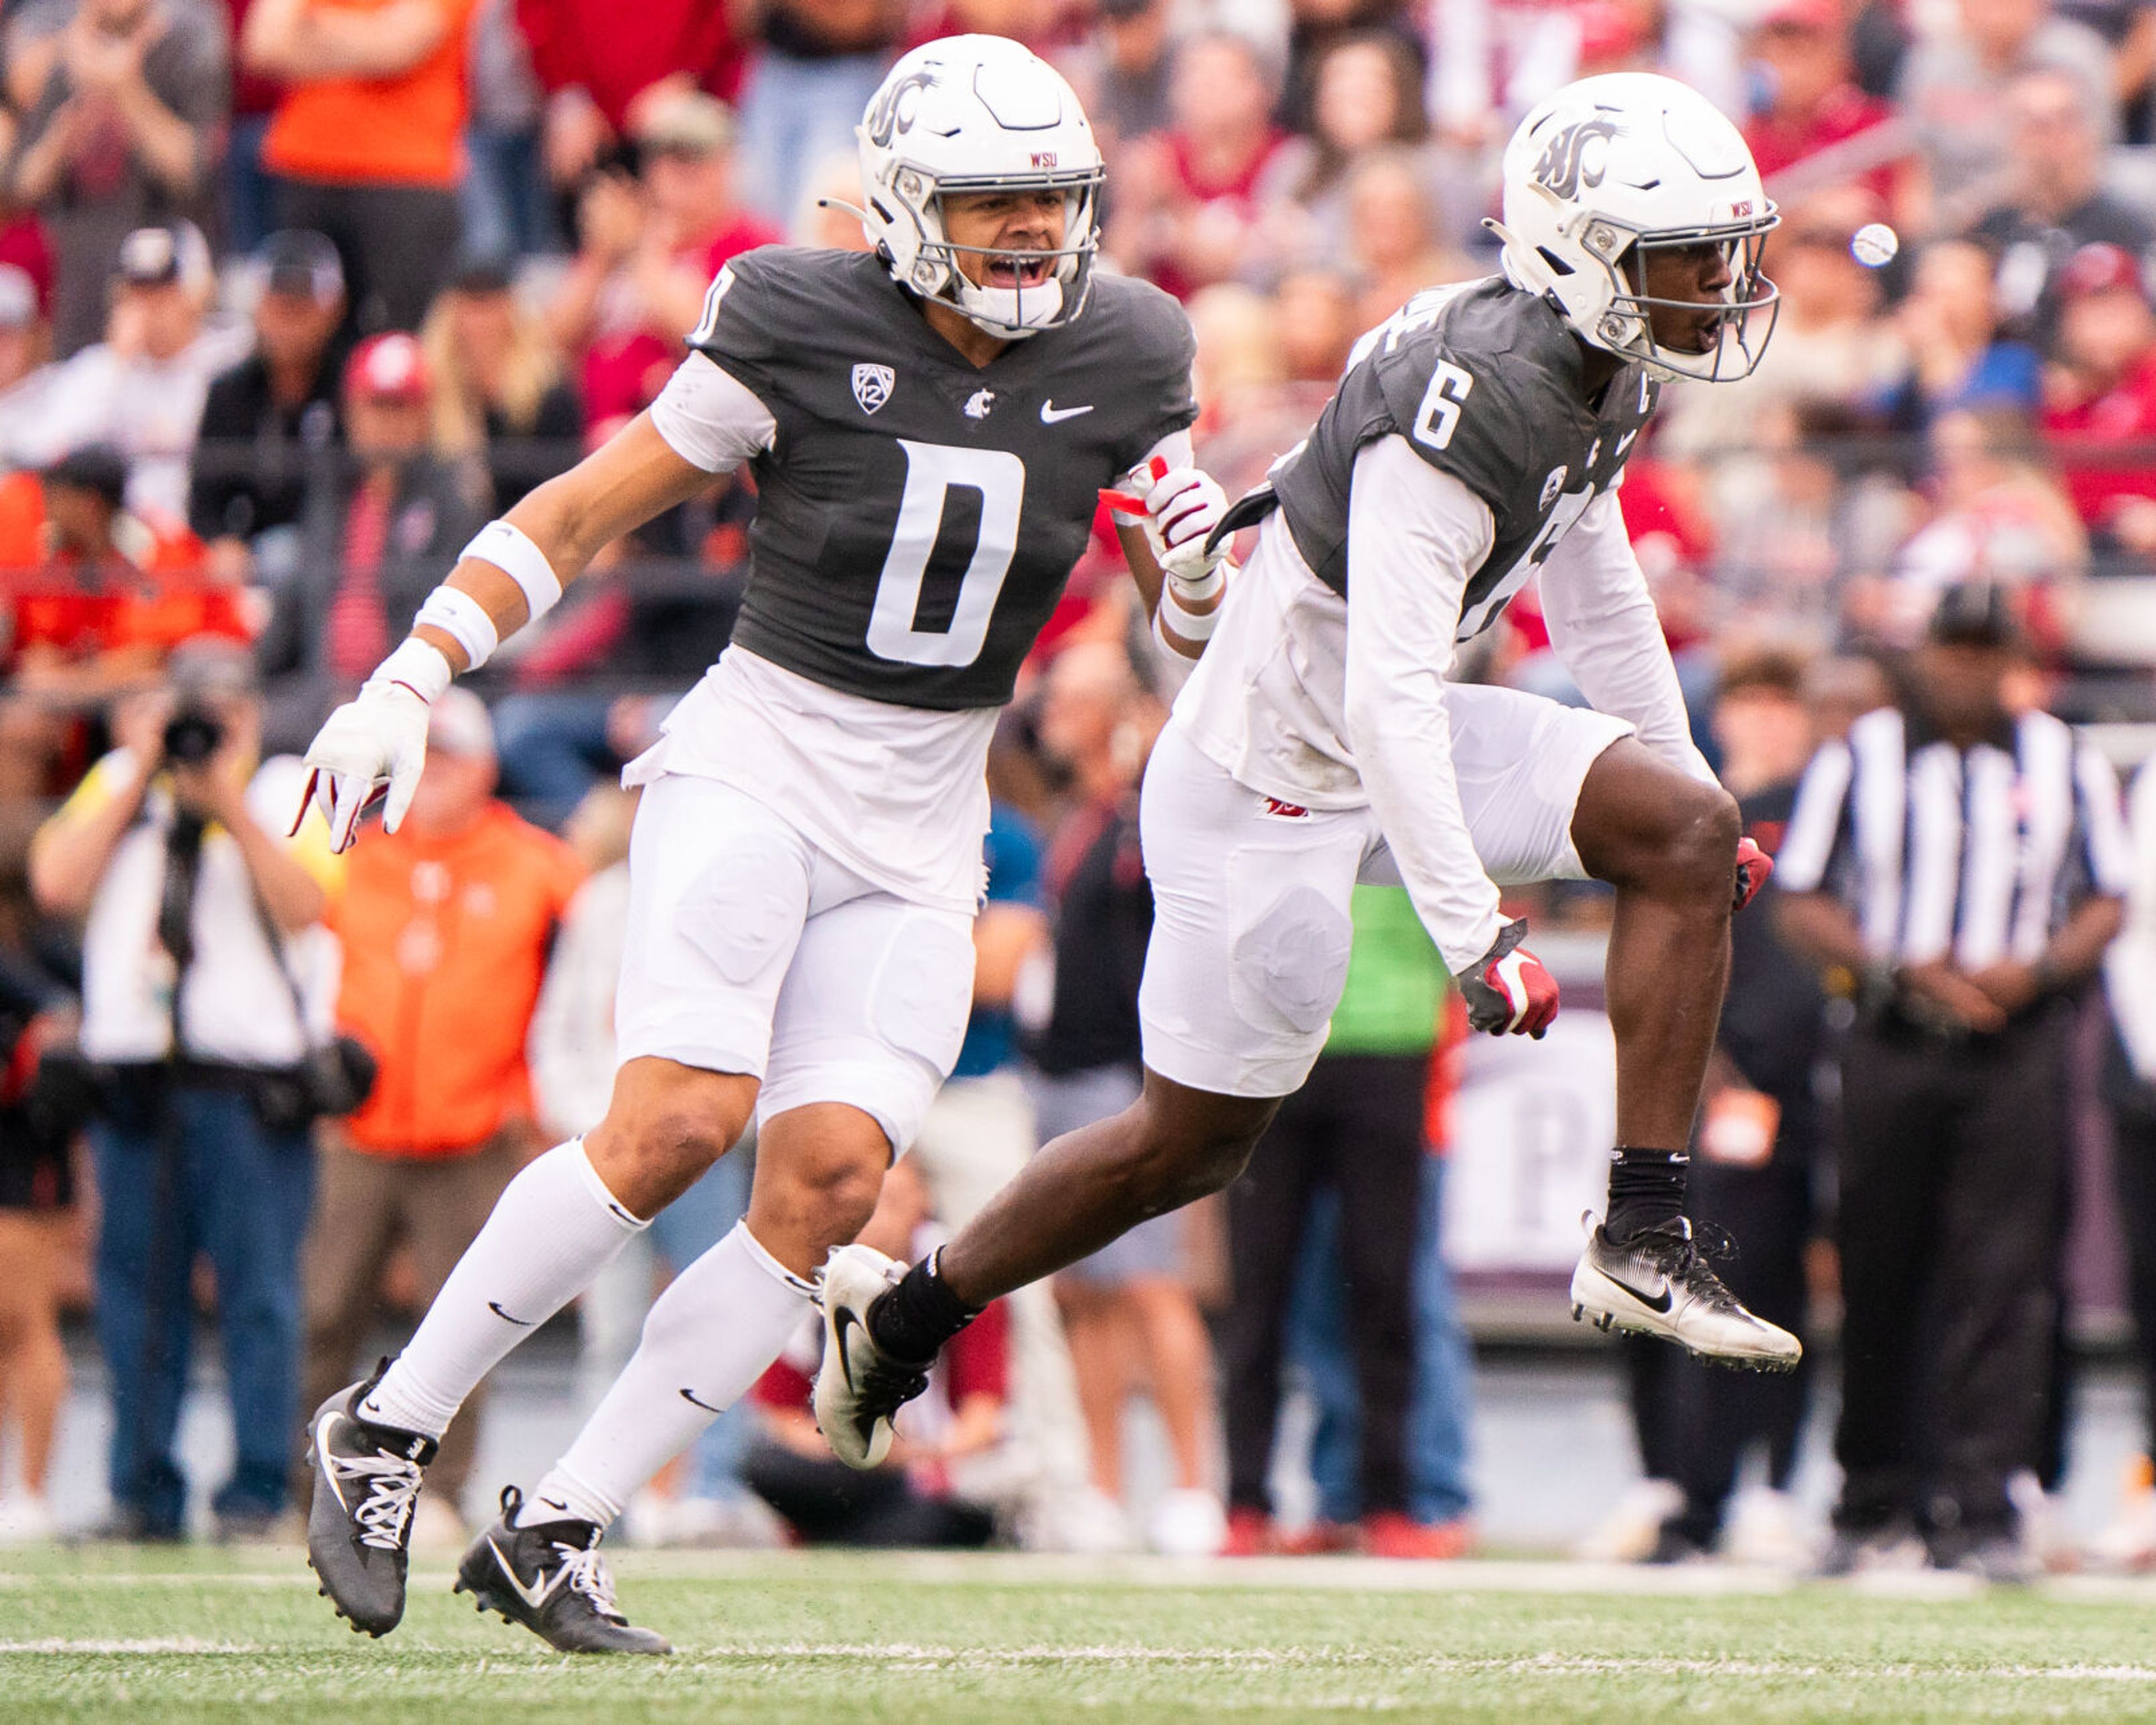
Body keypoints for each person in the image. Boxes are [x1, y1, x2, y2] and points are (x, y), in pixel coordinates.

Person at [296, 35, 1226, 1653]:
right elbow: (585, 515)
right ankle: (386, 1428)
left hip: (933, 811)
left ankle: (560, 1524)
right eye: (994, 203)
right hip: (764, 761)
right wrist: (408, 674)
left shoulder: (1134, 346)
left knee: (834, 1188)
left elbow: (1186, 621)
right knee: (675, 1124)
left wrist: (1204, 585)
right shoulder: (795, 315)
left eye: (1049, 203)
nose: (1028, 236)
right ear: (908, 206)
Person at [816, 71, 1806, 1481]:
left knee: (1689, 829)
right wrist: (1476, 936)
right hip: (1261, 789)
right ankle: (907, 1309)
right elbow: (1384, 695)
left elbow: (1596, 595)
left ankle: (1640, 1231)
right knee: (1184, 1147)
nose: (1715, 285)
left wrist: (1686, 769)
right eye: (1684, 257)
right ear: (1574, 254)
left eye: (1721, 252)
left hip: (1377, 740)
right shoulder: (1453, 410)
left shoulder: (1596, 362)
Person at [1776, 582, 2131, 1580]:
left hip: (2016, 1044)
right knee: (1878, 1263)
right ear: (1925, 654)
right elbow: (1799, 896)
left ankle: (1982, 1506)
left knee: (2003, 1277)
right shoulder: (1863, 755)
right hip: (1891, 1035)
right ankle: (1869, 1494)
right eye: (1954, 651)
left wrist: (2043, 969)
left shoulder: (2063, 758)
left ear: (2011, 660)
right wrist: (1891, 967)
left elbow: (2110, 893)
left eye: (1987, 653)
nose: (1967, 671)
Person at [26, 638, 337, 1541]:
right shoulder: (124, 784)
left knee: (260, 1298)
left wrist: (225, 799)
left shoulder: (286, 791)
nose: (204, 728)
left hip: (249, 1083)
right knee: (135, 1298)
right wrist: (138, 775)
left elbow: (307, 905)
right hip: (132, 1080)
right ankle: (142, 1490)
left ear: (251, 713)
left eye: (221, 711)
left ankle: (255, 1492)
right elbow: (54, 882)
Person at [297, 688, 581, 1545]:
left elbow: (588, 969)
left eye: (453, 758)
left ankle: (441, 1492)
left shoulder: (535, 862)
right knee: (323, 1309)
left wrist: (533, 1101)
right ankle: (300, 1482)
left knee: (463, 1322)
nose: (439, 776)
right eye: (430, 759)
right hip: (362, 1126)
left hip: (474, 1129)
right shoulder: (351, 853)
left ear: (486, 768)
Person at [242, 0, 480, 334]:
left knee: (405, 341)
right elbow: (264, 44)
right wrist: (363, 40)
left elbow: (396, 48)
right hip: (305, 169)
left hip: (407, 177)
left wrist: (309, 27)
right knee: (301, 344)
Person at [7, 0, 229, 358]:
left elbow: (194, 171)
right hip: (81, 283)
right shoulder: (68, 58)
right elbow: (21, 186)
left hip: (166, 281)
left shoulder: (187, 40)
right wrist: (60, 142)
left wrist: (126, 90)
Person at [188, 229, 349, 583]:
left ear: (333, 310)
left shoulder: (351, 391)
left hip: (337, 565)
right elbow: (204, 498)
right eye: (279, 306)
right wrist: (220, 542)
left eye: (302, 308)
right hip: (247, 566)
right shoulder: (228, 393)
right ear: (259, 307)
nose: (289, 324)